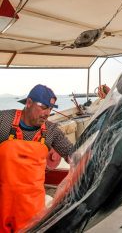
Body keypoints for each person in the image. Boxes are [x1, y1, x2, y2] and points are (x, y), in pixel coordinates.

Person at [0, 84, 74, 232]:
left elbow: (72, 154)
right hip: (3, 204)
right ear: (28, 103)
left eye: (51, 109)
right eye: (43, 107)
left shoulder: (51, 131)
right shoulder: (4, 120)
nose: (47, 113)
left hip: (32, 209)